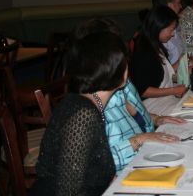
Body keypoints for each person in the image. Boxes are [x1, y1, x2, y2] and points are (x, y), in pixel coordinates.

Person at [71, 17, 185, 175]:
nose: (123, 60)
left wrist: (158, 119)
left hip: (147, 153)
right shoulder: (89, 106)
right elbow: (96, 165)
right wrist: (139, 140)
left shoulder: (124, 86)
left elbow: (138, 118)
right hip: (126, 170)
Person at [31, 32, 126, 196]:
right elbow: (69, 191)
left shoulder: (91, 103)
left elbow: (90, 172)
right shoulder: (83, 114)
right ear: (115, 69)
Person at [130, 5, 189, 114]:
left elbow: (161, 75)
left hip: (166, 100)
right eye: (171, 30)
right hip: (153, 105)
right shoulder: (143, 53)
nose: (172, 34)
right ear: (158, 27)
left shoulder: (157, 47)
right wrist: (173, 90)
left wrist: (179, 63)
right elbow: (142, 90)